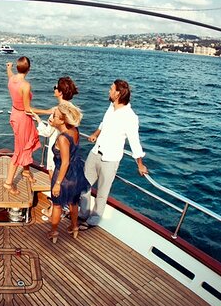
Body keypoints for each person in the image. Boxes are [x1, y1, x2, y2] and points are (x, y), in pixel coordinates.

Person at [79, 79, 148, 230]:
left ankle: (93, 220)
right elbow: (104, 123)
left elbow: (134, 142)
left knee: (102, 192)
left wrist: (140, 164)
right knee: (83, 185)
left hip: (110, 160)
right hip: (95, 152)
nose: (108, 91)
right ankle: (82, 214)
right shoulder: (111, 107)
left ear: (117, 94)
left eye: (111, 89)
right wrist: (95, 134)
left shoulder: (130, 117)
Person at [32, 76, 79, 218]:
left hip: (56, 150)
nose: (54, 89)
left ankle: (54, 209)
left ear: (60, 92)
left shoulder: (57, 111)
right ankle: (67, 212)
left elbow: (47, 132)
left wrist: (38, 120)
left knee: (55, 182)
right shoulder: (71, 109)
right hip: (70, 151)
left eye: (56, 87)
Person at [44, 101, 89, 243]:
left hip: (63, 176)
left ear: (63, 120)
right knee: (73, 203)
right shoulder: (75, 130)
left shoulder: (62, 138)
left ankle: (54, 232)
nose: (53, 118)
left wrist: (57, 183)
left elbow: (65, 162)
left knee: (57, 205)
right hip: (76, 173)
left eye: (56, 116)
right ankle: (74, 227)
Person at [4, 56, 41, 194]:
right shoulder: (25, 85)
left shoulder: (12, 79)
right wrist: (47, 111)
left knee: (26, 144)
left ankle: (26, 172)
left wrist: (9, 67)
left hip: (15, 115)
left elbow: (10, 74)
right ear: (29, 69)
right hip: (23, 118)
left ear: (18, 68)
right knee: (20, 149)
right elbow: (27, 108)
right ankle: (8, 183)